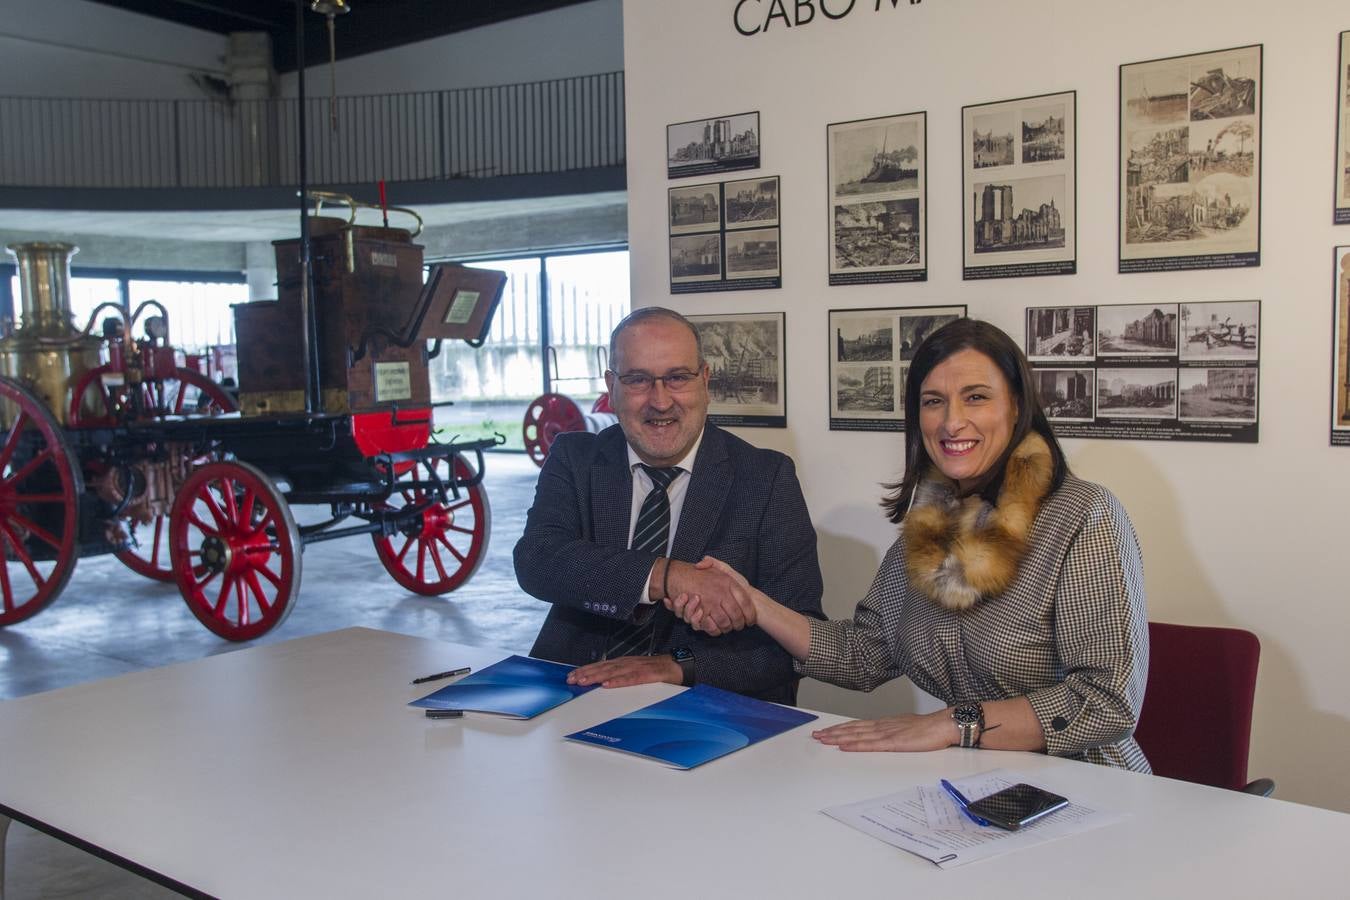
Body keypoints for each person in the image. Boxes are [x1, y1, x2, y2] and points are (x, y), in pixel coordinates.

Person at [670, 318, 1150, 770]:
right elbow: (865, 654)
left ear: (1018, 406)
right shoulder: (930, 525)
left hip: (1087, 783)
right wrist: (753, 603)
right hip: (968, 777)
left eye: (976, 397)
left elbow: (1108, 702)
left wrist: (951, 722)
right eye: (933, 401)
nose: (951, 422)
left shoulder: (1084, 516)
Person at [513, 307, 824, 704]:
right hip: (575, 690)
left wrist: (677, 665)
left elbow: (802, 635)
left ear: (705, 380)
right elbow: (537, 561)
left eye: (677, 378)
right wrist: (668, 577)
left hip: (704, 708)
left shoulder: (765, 478)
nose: (660, 402)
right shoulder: (575, 458)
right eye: (638, 380)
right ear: (612, 386)